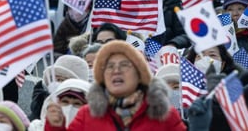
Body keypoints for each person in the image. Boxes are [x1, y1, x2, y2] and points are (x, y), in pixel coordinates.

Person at [45, 40, 185, 130]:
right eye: (110, 66)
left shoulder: (165, 115)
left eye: (124, 65)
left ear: (139, 74)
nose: (116, 71)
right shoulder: (87, 114)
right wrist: (55, 127)